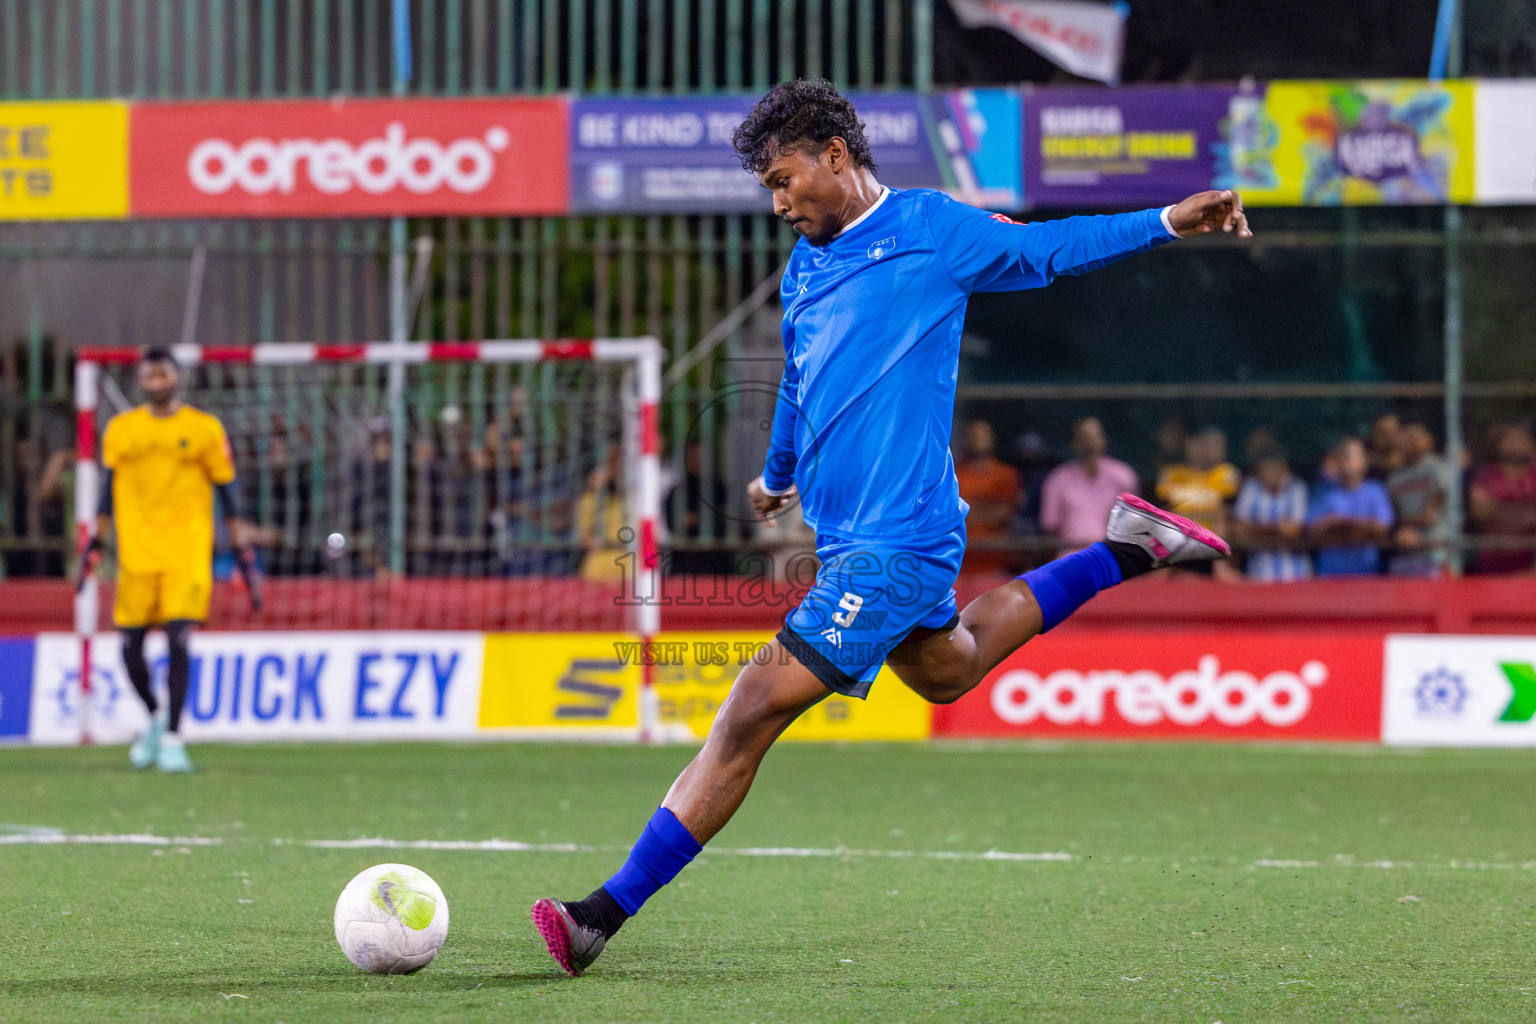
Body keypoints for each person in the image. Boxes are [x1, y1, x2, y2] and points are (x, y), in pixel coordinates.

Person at [530, 78, 1249, 976]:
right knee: (949, 670)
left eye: (788, 178)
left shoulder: (932, 231)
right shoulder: (805, 266)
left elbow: (1054, 250)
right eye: (769, 188)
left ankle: (600, 914)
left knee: (750, 709)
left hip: (896, 541)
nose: (781, 200)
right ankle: (1127, 549)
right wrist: (778, 473)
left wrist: (1168, 221)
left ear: (836, 156)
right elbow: (800, 377)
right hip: (849, 539)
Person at [86, 348, 250, 773]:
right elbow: (107, 489)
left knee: (179, 639)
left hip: (186, 552)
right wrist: (96, 543)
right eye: (149, 375)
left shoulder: (203, 429)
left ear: (177, 377)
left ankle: (175, 736)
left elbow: (226, 490)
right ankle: (157, 716)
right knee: (130, 648)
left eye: (163, 374)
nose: (156, 382)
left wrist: (239, 544)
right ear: (140, 381)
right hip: (137, 553)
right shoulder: (122, 430)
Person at [1038, 417, 1139, 558]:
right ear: (1074, 443)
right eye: (1084, 437)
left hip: (1112, 557)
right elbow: (1049, 526)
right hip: (1071, 558)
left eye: (1094, 436)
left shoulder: (1122, 476)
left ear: (1104, 440)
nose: (1089, 443)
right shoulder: (1058, 479)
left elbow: (1133, 524)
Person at [1155, 425, 1241, 579]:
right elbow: (1163, 513)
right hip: (1176, 555)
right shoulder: (1172, 474)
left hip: (1211, 552)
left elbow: (1223, 515)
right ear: (1189, 444)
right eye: (1203, 443)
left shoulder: (1226, 473)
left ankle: (1220, 565)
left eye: (1215, 445)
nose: (1209, 450)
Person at [1305, 435, 1394, 576]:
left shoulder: (1375, 490)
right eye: (1343, 456)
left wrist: (1346, 522)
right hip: (1329, 576)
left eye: (1351, 456)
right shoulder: (1324, 491)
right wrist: (1331, 522)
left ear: (1364, 461)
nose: (1346, 462)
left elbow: (1382, 526)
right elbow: (1310, 528)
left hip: (1367, 575)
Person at [954, 419, 1022, 575]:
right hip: (961, 561)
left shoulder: (1006, 474)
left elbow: (1005, 511)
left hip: (995, 561)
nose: (978, 439)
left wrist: (970, 511)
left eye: (982, 435)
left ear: (991, 439)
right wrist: (985, 510)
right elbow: (953, 513)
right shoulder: (954, 475)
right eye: (973, 435)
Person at [1231, 446, 1310, 582]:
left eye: (1276, 467)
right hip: (1259, 574)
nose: (1272, 472)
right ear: (1259, 470)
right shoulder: (1251, 487)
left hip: (1296, 575)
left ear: (1285, 468)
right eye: (1267, 468)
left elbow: (1294, 530)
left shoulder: (1297, 487)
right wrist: (1276, 528)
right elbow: (1238, 527)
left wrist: (1254, 528)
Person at [1468, 421, 1536, 574]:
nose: (1516, 444)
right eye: (1510, 439)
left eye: (1522, 439)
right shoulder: (1485, 475)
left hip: (1530, 559)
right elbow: (1480, 512)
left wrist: (1498, 508)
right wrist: (1524, 510)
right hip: (1492, 556)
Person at [1386, 420, 1448, 577]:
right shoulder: (1394, 478)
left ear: (1427, 441)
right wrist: (1400, 530)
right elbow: (1393, 516)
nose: (1410, 442)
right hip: (1405, 553)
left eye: (1415, 437)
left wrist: (1403, 523)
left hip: (1434, 552)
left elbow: (1430, 517)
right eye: (1406, 438)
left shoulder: (1437, 469)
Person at [1367, 413, 1402, 481]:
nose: (1384, 437)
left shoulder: (1410, 458)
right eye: (1379, 432)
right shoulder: (1364, 462)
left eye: (1388, 432)